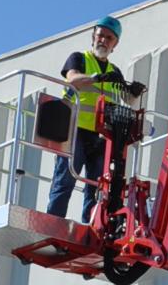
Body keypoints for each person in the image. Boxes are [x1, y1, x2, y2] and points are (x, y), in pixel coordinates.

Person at [45, 15, 145, 221]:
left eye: (109, 38)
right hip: (75, 131)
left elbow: (127, 99)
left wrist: (134, 93)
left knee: (98, 188)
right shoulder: (79, 59)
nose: (103, 41)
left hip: (101, 136)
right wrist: (96, 78)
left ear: (115, 43)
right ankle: (53, 223)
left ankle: (90, 228)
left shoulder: (114, 71)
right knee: (65, 180)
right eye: (100, 36)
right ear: (93, 36)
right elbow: (72, 78)